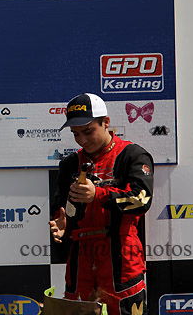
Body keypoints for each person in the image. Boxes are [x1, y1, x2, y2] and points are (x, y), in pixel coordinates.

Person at [49, 93, 153, 315]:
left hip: (121, 253)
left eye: (88, 132)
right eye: (76, 134)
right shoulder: (69, 164)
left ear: (106, 122)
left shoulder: (132, 155)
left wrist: (98, 194)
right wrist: (62, 226)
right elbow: (63, 210)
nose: (82, 140)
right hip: (81, 258)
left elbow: (142, 200)